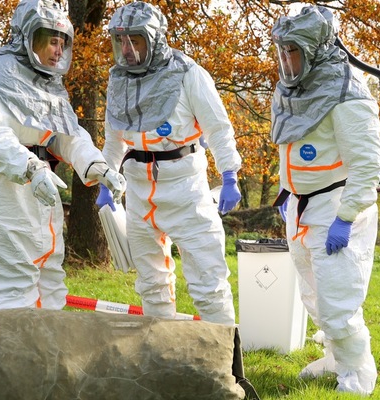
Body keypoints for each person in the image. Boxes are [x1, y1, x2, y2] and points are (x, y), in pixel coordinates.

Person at [0, 0, 126, 311]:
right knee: (9, 290)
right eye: (51, 40)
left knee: (50, 286)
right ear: (27, 37)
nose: (58, 50)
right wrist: (32, 168)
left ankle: (47, 359)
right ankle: (11, 359)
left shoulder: (49, 89)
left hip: (40, 195)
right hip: (1, 194)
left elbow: (68, 137)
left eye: (63, 42)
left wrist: (100, 167)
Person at [97, 1, 242, 326]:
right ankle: (161, 354)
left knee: (208, 280)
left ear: (154, 38)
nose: (127, 48)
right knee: (151, 283)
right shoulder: (118, 80)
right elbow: (115, 140)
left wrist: (229, 172)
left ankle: (225, 364)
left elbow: (218, 126)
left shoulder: (188, 73)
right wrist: (107, 180)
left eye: (134, 39)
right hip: (138, 193)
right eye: (120, 40)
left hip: (185, 190)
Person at [271, 6, 380, 396]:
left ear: (315, 49)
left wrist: (346, 217)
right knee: (314, 295)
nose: (286, 61)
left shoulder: (347, 92)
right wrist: (288, 192)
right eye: (282, 51)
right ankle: (336, 359)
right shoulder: (293, 88)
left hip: (335, 208)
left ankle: (358, 373)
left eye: (293, 51)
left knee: (338, 299)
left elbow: (368, 166)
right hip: (301, 207)